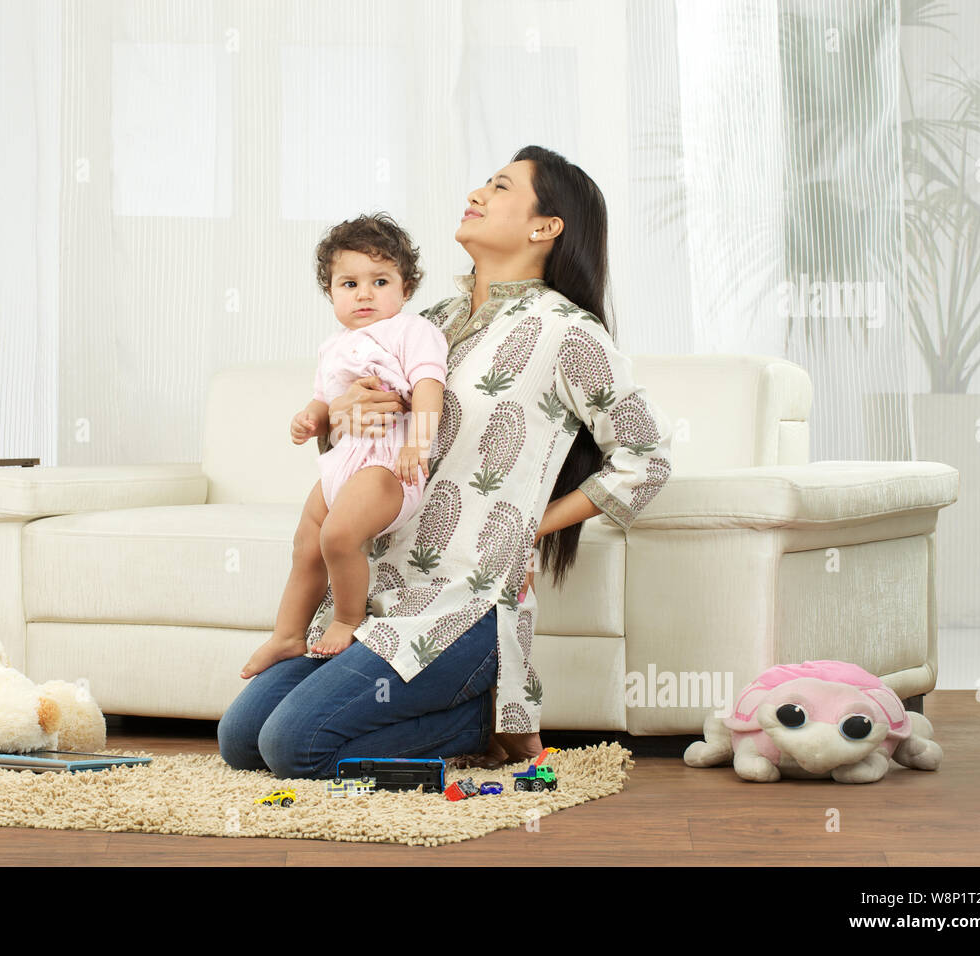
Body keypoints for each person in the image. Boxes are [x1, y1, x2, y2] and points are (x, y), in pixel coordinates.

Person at [219, 145, 674, 778]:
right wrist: (345, 411)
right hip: (380, 593)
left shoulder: (567, 331)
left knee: (296, 747)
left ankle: (475, 718)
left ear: (546, 227)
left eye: (501, 187)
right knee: (241, 741)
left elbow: (646, 457)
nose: (478, 193)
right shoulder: (415, 320)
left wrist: (529, 526)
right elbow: (356, 453)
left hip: (461, 607)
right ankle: (454, 714)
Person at [240, 213, 449, 678]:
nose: (365, 294)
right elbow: (325, 400)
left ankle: (349, 619)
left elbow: (429, 386)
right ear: (331, 292)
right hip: (341, 465)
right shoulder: (333, 345)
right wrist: (309, 419)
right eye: (349, 284)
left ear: (406, 287)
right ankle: (287, 635)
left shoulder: (411, 331)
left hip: (387, 467)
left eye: (380, 280)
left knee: (338, 536)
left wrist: (419, 443)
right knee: (306, 544)